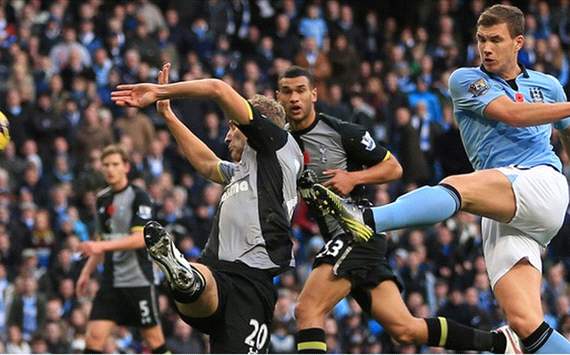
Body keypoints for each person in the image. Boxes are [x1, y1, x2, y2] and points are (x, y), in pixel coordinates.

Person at [313, 5, 570, 353]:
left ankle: (369, 220)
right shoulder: (466, 80)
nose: (486, 48)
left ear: (518, 42)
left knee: (458, 186)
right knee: (524, 324)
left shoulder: (549, 86)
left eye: (496, 40)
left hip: (541, 182)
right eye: (482, 39)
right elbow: (511, 114)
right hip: (503, 206)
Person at [276, 65, 515, 353]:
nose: (294, 98)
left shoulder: (342, 132)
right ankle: (501, 342)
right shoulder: (282, 144)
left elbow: (394, 167)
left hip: (359, 231)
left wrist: (354, 177)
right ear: (278, 96)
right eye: (287, 92)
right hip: (341, 242)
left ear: (314, 94)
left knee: (307, 310)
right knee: (405, 330)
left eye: (301, 90)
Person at [111, 63, 303, 353]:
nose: (227, 137)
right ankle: (185, 276)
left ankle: (186, 276)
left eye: (233, 127)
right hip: (217, 276)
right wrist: (168, 115)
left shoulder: (278, 145)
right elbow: (206, 164)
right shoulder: (245, 170)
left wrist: (160, 90)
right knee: (199, 282)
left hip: (250, 284)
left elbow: (217, 88)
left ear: (256, 126)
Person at [76, 144, 168, 354]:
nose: (110, 169)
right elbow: (101, 240)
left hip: (137, 281)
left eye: (115, 164)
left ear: (126, 167)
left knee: (154, 342)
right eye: (106, 165)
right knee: (93, 339)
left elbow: (140, 239)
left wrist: (100, 245)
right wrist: (86, 273)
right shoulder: (102, 199)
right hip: (110, 283)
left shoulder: (140, 197)